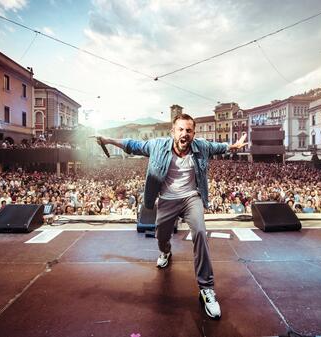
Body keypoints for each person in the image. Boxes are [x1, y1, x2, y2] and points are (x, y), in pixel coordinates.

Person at [95, 113, 247, 319]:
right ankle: (165, 252)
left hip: (191, 198)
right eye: (181, 130)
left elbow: (219, 147)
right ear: (173, 131)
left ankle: (207, 289)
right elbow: (132, 144)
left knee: (201, 233)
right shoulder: (157, 145)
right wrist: (108, 140)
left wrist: (234, 146)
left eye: (189, 130)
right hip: (166, 199)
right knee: (161, 236)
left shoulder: (201, 146)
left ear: (194, 133)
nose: (185, 134)